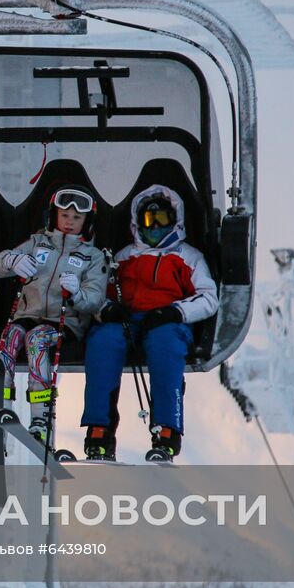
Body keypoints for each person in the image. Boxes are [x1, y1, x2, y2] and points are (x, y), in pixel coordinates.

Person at [81, 184, 217, 462]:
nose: (155, 227)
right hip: (128, 319)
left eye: (161, 220)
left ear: (174, 220)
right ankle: (100, 432)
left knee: (166, 346)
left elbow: (208, 298)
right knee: (103, 341)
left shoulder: (187, 257)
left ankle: (167, 431)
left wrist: (175, 312)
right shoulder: (124, 256)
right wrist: (107, 311)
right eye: (148, 220)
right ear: (136, 222)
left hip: (166, 322)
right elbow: (98, 294)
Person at [0, 186, 109, 447]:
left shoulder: (93, 256)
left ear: (86, 222)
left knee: (37, 340)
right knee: (10, 338)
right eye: (65, 215)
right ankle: (2, 409)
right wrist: (11, 261)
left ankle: (40, 419)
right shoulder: (37, 242)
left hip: (63, 323)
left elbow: (95, 300)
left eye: (77, 218)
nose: (69, 221)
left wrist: (77, 292)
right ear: (53, 216)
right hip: (27, 314)